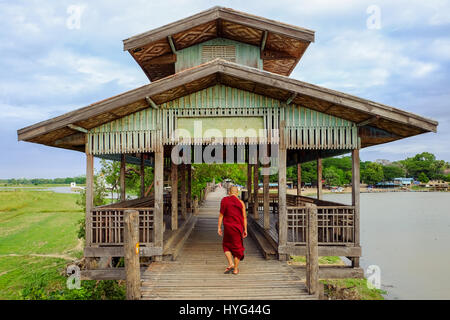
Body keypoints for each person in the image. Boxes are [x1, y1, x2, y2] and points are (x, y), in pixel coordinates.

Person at [218, 185, 247, 275]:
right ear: (237, 193)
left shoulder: (225, 200)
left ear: (229, 193)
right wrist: (245, 229)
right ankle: (235, 269)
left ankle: (230, 263)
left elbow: (221, 215)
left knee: (226, 246)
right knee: (237, 249)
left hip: (228, 227)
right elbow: (244, 217)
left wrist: (219, 227)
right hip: (238, 228)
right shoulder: (241, 203)